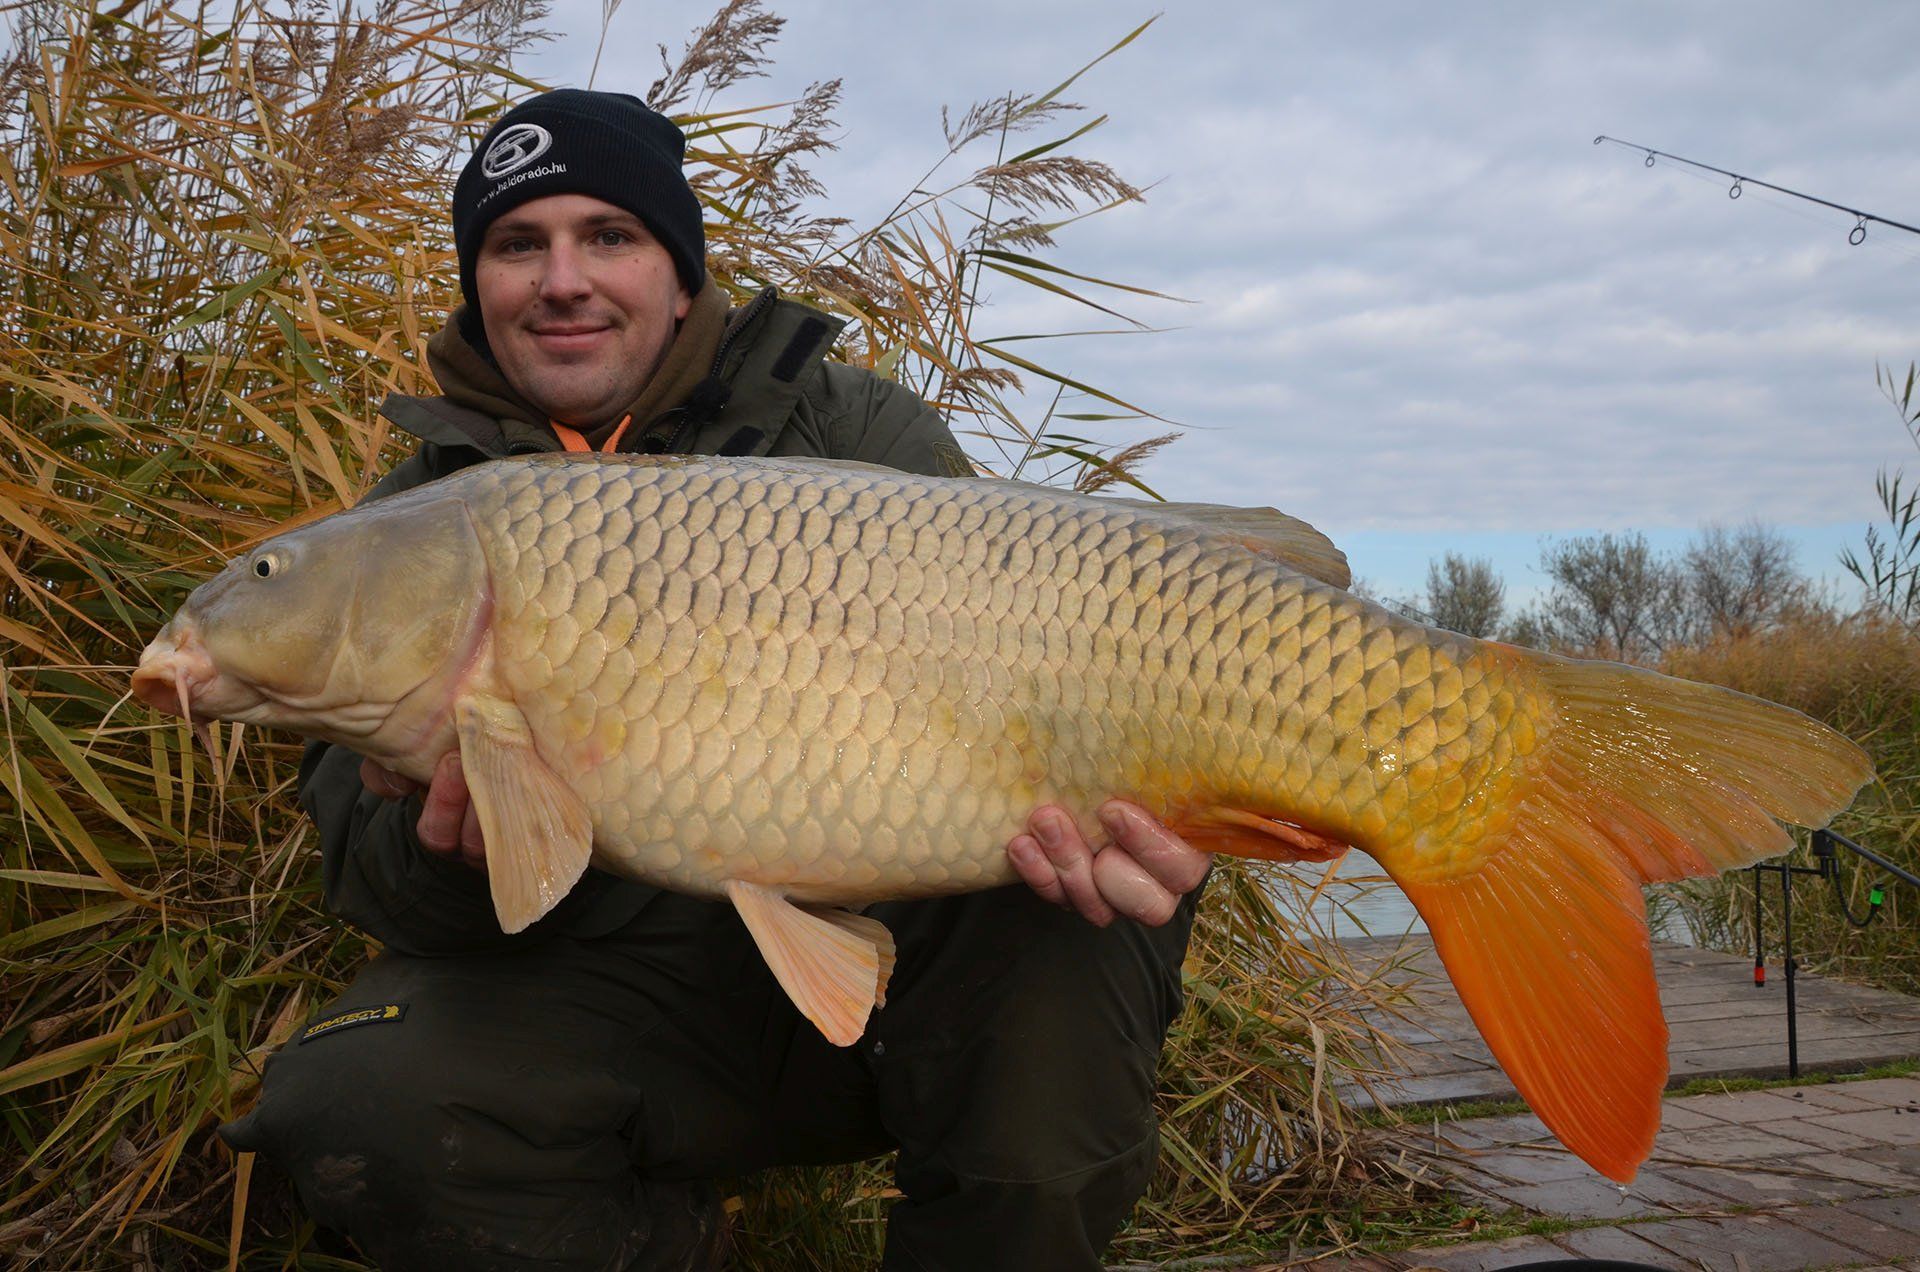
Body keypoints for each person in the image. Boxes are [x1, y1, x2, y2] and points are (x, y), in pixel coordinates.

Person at [221, 89, 1212, 1271]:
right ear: (478, 286)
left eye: (611, 236)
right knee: (355, 1104)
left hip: (920, 987)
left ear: (680, 273)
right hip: (639, 1008)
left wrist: (1179, 803)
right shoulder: (410, 533)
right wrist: (444, 853)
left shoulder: (853, 431)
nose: (563, 278)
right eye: (516, 244)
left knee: (1075, 925)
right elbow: (371, 879)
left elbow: (1057, 646)